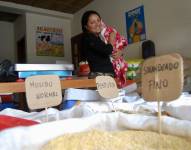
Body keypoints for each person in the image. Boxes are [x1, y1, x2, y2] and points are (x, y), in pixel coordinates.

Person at [81, 10, 122, 79]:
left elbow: (107, 53)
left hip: (105, 76)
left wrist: (119, 53)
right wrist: (111, 40)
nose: (97, 24)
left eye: (98, 20)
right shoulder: (88, 38)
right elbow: (106, 50)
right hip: (100, 77)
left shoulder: (98, 39)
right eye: (92, 22)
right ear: (86, 27)